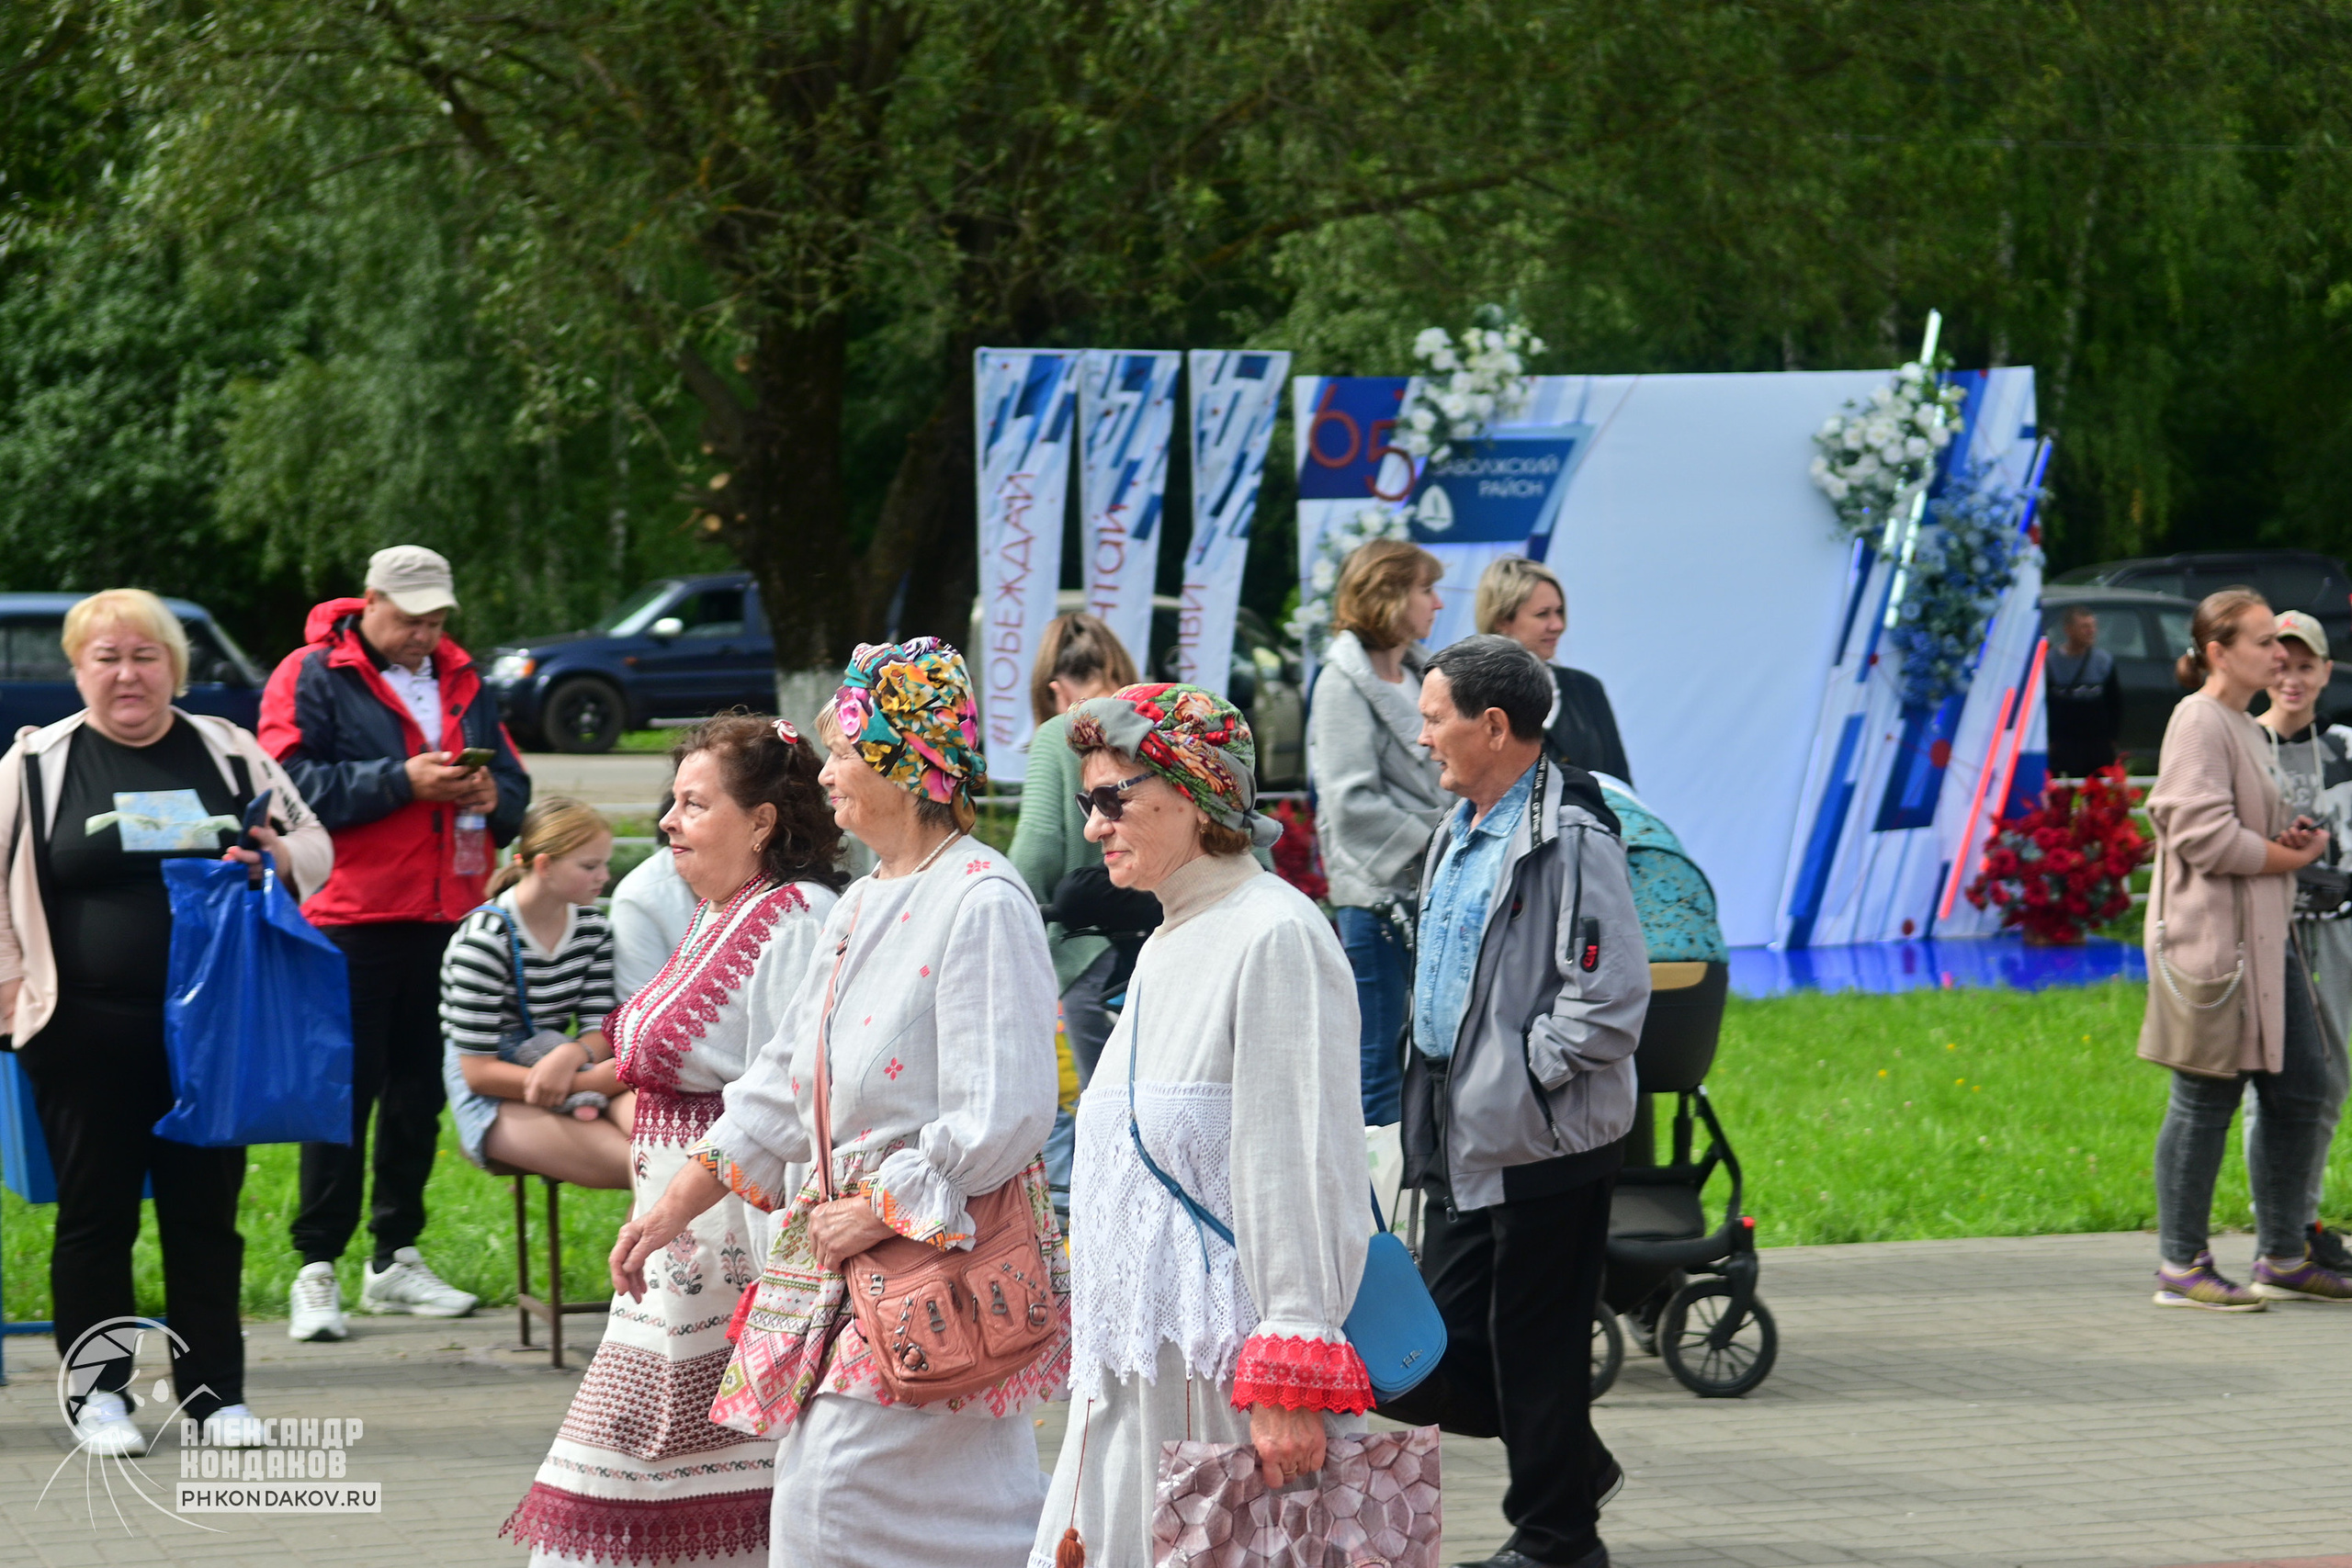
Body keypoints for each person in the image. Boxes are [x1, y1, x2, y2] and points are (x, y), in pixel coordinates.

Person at [614, 638, 1066, 1568]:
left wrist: (881, 1206)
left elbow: (1007, 1108)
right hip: (862, 1259)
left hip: (931, 1259)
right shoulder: (861, 902)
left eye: (850, 751)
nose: (831, 774)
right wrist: (667, 1212)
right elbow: (783, 1083)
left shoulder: (980, 899)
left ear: (908, 761)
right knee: (940, 1505)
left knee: (834, 1504)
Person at [1033, 682, 1374, 1568]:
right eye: (1086, 802)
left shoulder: (1275, 936)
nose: (1096, 824)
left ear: (1192, 792)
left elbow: (1298, 1162)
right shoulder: (1168, 940)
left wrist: (1292, 1368)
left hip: (1227, 1388)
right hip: (1139, 1380)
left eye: (1114, 798)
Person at [503, 715, 846, 1568]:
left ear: (761, 820)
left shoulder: (798, 916)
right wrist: (584, 1059)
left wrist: (787, 1284)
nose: (668, 820)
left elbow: (792, 1108)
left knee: (641, 1479)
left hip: (733, 1245)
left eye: (694, 804)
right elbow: (649, 1038)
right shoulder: (719, 909)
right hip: (674, 1248)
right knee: (653, 1481)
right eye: (674, 802)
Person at [0, 590, 334, 1457]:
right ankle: (98, 1397)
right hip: (83, 1035)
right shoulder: (37, 765)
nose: (127, 674)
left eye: (145, 656)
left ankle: (215, 1397)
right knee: (95, 1214)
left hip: (218, 1038)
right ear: (78, 670)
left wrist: (277, 854)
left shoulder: (228, 751)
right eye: (106, 657)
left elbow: (317, 847)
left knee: (203, 1215)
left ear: (173, 668)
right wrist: (15, 1001)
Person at [1381, 634, 1651, 1568]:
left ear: (1492, 726)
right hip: (1462, 1136)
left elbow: (1611, 1001)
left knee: (1532, 1347)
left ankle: (1556, 1538)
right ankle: (1571, 1463)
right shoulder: (1459, 827)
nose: (1423, 739)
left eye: (1433, 719)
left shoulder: (1570, 832)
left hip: (1540, 1140)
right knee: (1418, 1359)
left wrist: (1523, 1074)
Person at [261, 544, 530, 1340]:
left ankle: (394, 1258)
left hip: (449, 912)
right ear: (370, 602)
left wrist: (492, 792)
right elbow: (284, 789)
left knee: (419, 1092)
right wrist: (400, 780)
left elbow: (514, 781)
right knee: (340, 1092)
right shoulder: (310, 673)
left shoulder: (463, 676)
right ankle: (316, 1265)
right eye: (412, 619)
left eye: (438, 619)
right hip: (351, 914)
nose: (426, 633)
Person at [2143, 589, 2352, 1310]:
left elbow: (2240, 825)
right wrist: (2280, 856)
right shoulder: (2199, 720)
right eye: (2263, 642)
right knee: (2206, 1095)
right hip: (2217, 943)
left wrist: (2284, 840)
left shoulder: (2242, 724)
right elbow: (2196, 834)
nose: (2276, 654)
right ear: (2217, 653)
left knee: (2304, 1085)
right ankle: (2181, 1263)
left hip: (2270, 939)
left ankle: (2284, 1253)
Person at [1308, 537, 1448, 1125]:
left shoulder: (1424, 674)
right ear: (1389, 594)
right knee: (1380, 1069)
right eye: (1425, 589)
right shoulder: (1342, 683)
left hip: (1430, 892)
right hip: (1378, 902)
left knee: (1432, 1057)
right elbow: (1351, 803)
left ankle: (1419, 1193)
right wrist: (1446, 835)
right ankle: (1375, 1208)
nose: (1437, 604)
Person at [1010, 612, 1143, 1207]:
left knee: (1108, 1130)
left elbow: (1035, 852)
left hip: (1094, 960)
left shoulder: (1059, 733)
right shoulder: (1156, 723)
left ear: (1053, 688)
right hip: (1168, 939)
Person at [439, 795, 629, 1190]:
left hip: (562, 1062)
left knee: (666, 1155)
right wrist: (585, 1084)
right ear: (544, 865)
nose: (603, 876)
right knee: (639, 1167)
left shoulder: (592, 928)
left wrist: (572, 1054)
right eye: (590, 866)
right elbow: (477, 1071)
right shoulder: (484, 941)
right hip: (495, 1089)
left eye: (604, 864)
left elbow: (601, 1026)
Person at [2249, 611, 2352, 1272]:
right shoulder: (2242, 743)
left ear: (2325, 671)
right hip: (2271, 930)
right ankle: (2280, 1230)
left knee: (2332, 1077)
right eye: (2279, 665)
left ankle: (2304, 1217)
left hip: (2339, 928)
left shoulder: (2344, 744)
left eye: (2304, 665)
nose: (2292, 678)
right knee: (2278, 1086)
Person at [1476, 555, 1632, 785]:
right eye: (1542, 614)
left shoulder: (1587, 689)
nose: (1558, 625)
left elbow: (1620, 785)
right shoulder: (1473, 695)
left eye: (1559, 612)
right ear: (1501, 620)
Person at [609, 789, 699, 998]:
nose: (667, 822)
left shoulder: (778, 885)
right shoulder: (641, 896)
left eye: (695, 805)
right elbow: (639, 1009)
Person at [2046, 604, 2124, 777]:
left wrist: (2112, 738)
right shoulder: (2050, 662)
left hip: (2097, 745)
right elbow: (2046, 703)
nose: (2091, 631)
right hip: (2065, 745)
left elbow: (2114, 702)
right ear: (2069, 630)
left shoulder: (2104, 662)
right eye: (2085, 626)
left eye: (2093, 626)